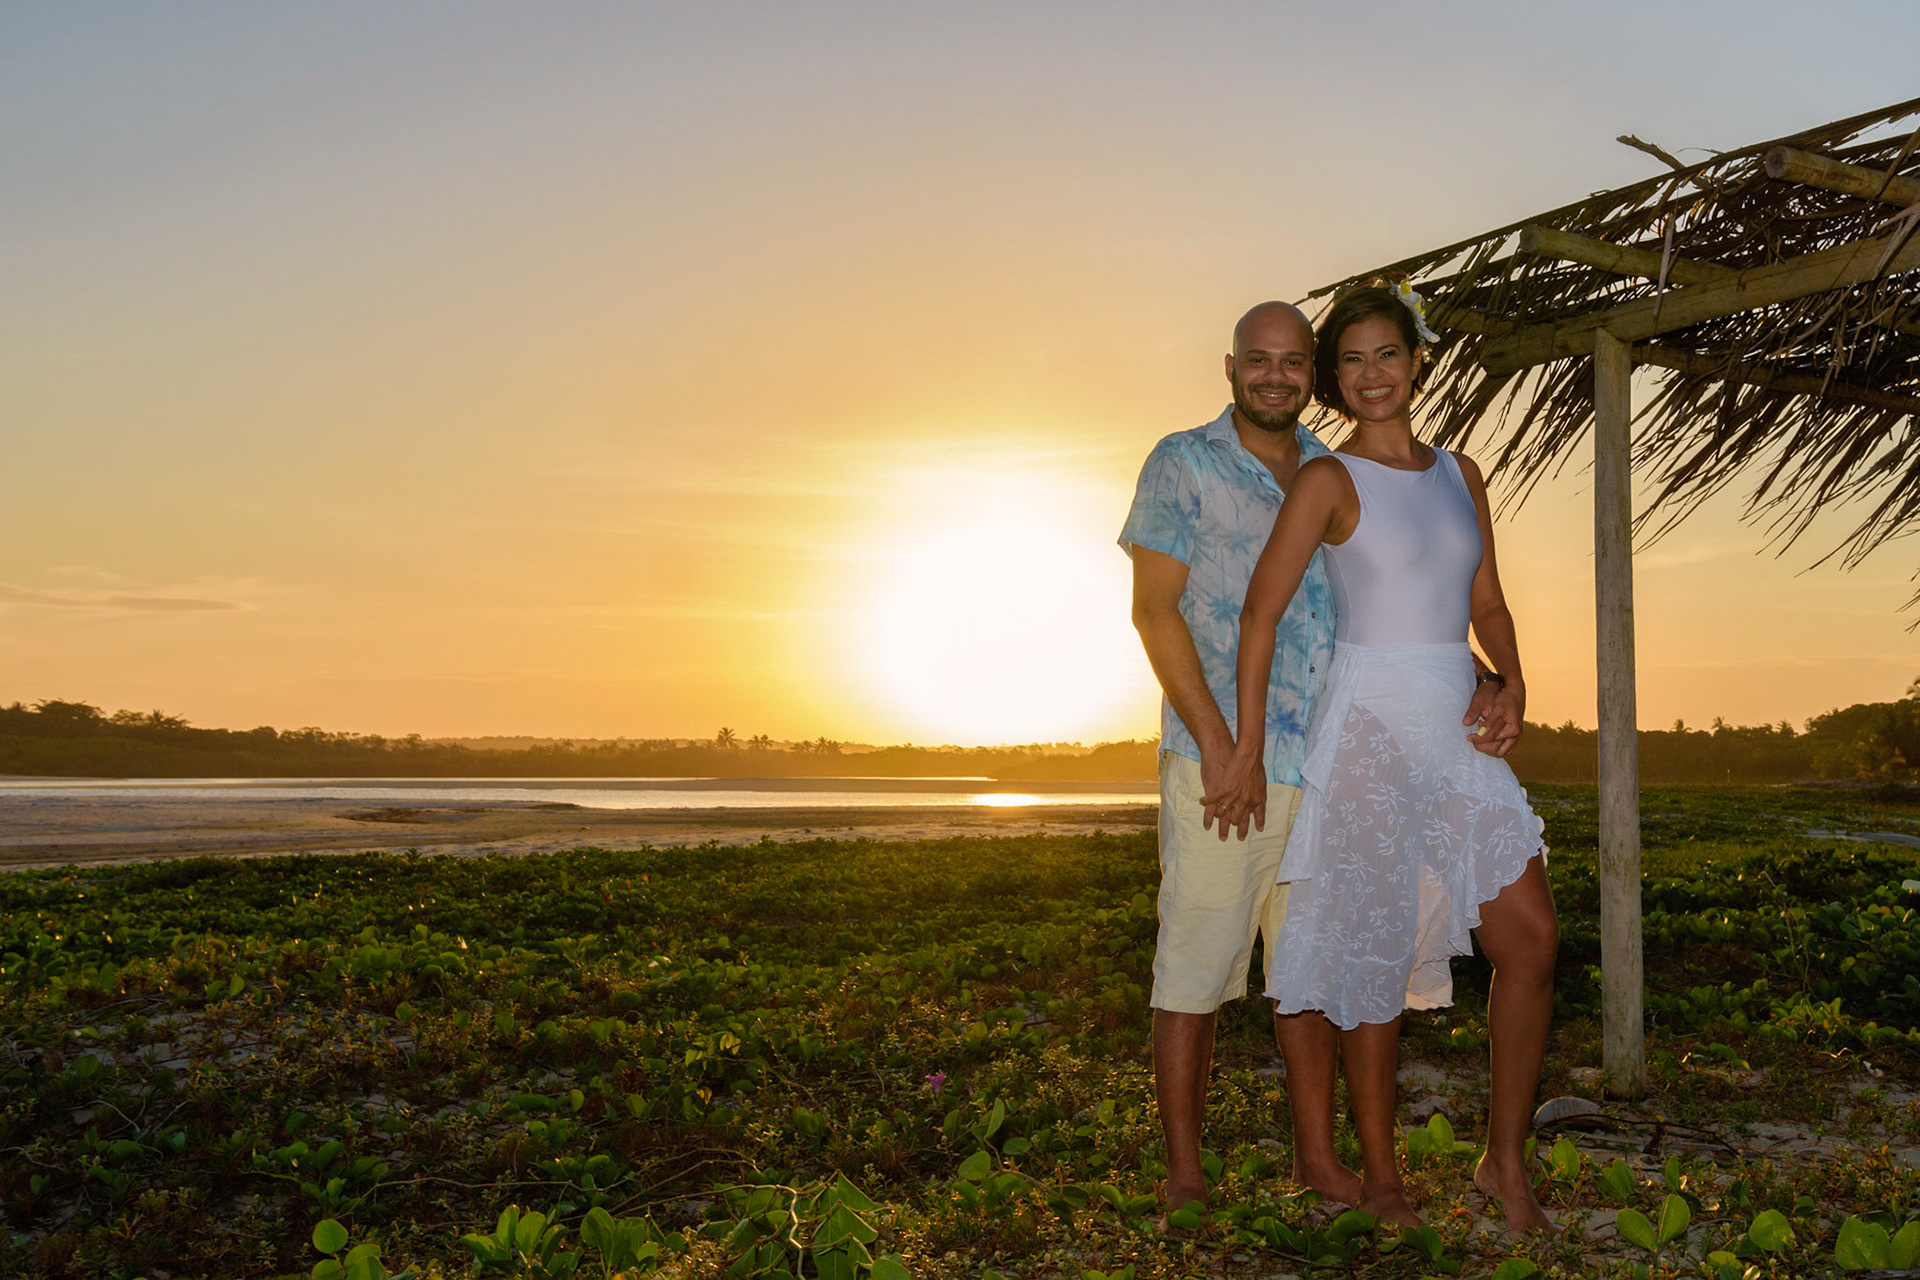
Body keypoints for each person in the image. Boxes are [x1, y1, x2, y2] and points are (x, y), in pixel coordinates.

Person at [1119, 301, 1510, 1215]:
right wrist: (1224, 746)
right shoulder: (1184, 462)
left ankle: (1318, 1160)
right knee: (1197, 961)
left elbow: (1412, 606)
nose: (1275, 377)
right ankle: (1184, 1172)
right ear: (1229, 367)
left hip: (1335, 756)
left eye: (1292, 362)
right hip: (1221, 756)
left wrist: (1487, 678)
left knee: (1311, 967)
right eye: (1259, 360)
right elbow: (1154, 611)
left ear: (1312, 378)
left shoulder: (1340, 473)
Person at [1209, 283, 1558, 1233]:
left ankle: (1503, 1162)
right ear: (1334, 379)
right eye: (1351, 361)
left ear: (1417, 361)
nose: (1371, 376)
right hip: (1366, 726)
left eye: (1387, 356)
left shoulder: (1463, 473)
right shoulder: (1330, 481)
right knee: (1367, 961)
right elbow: (1260, 615)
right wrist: (1242, 745)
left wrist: (1512, 681)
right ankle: (1386, 1179)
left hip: (1456, 724)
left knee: (1529, 938)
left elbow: (1484, 603)